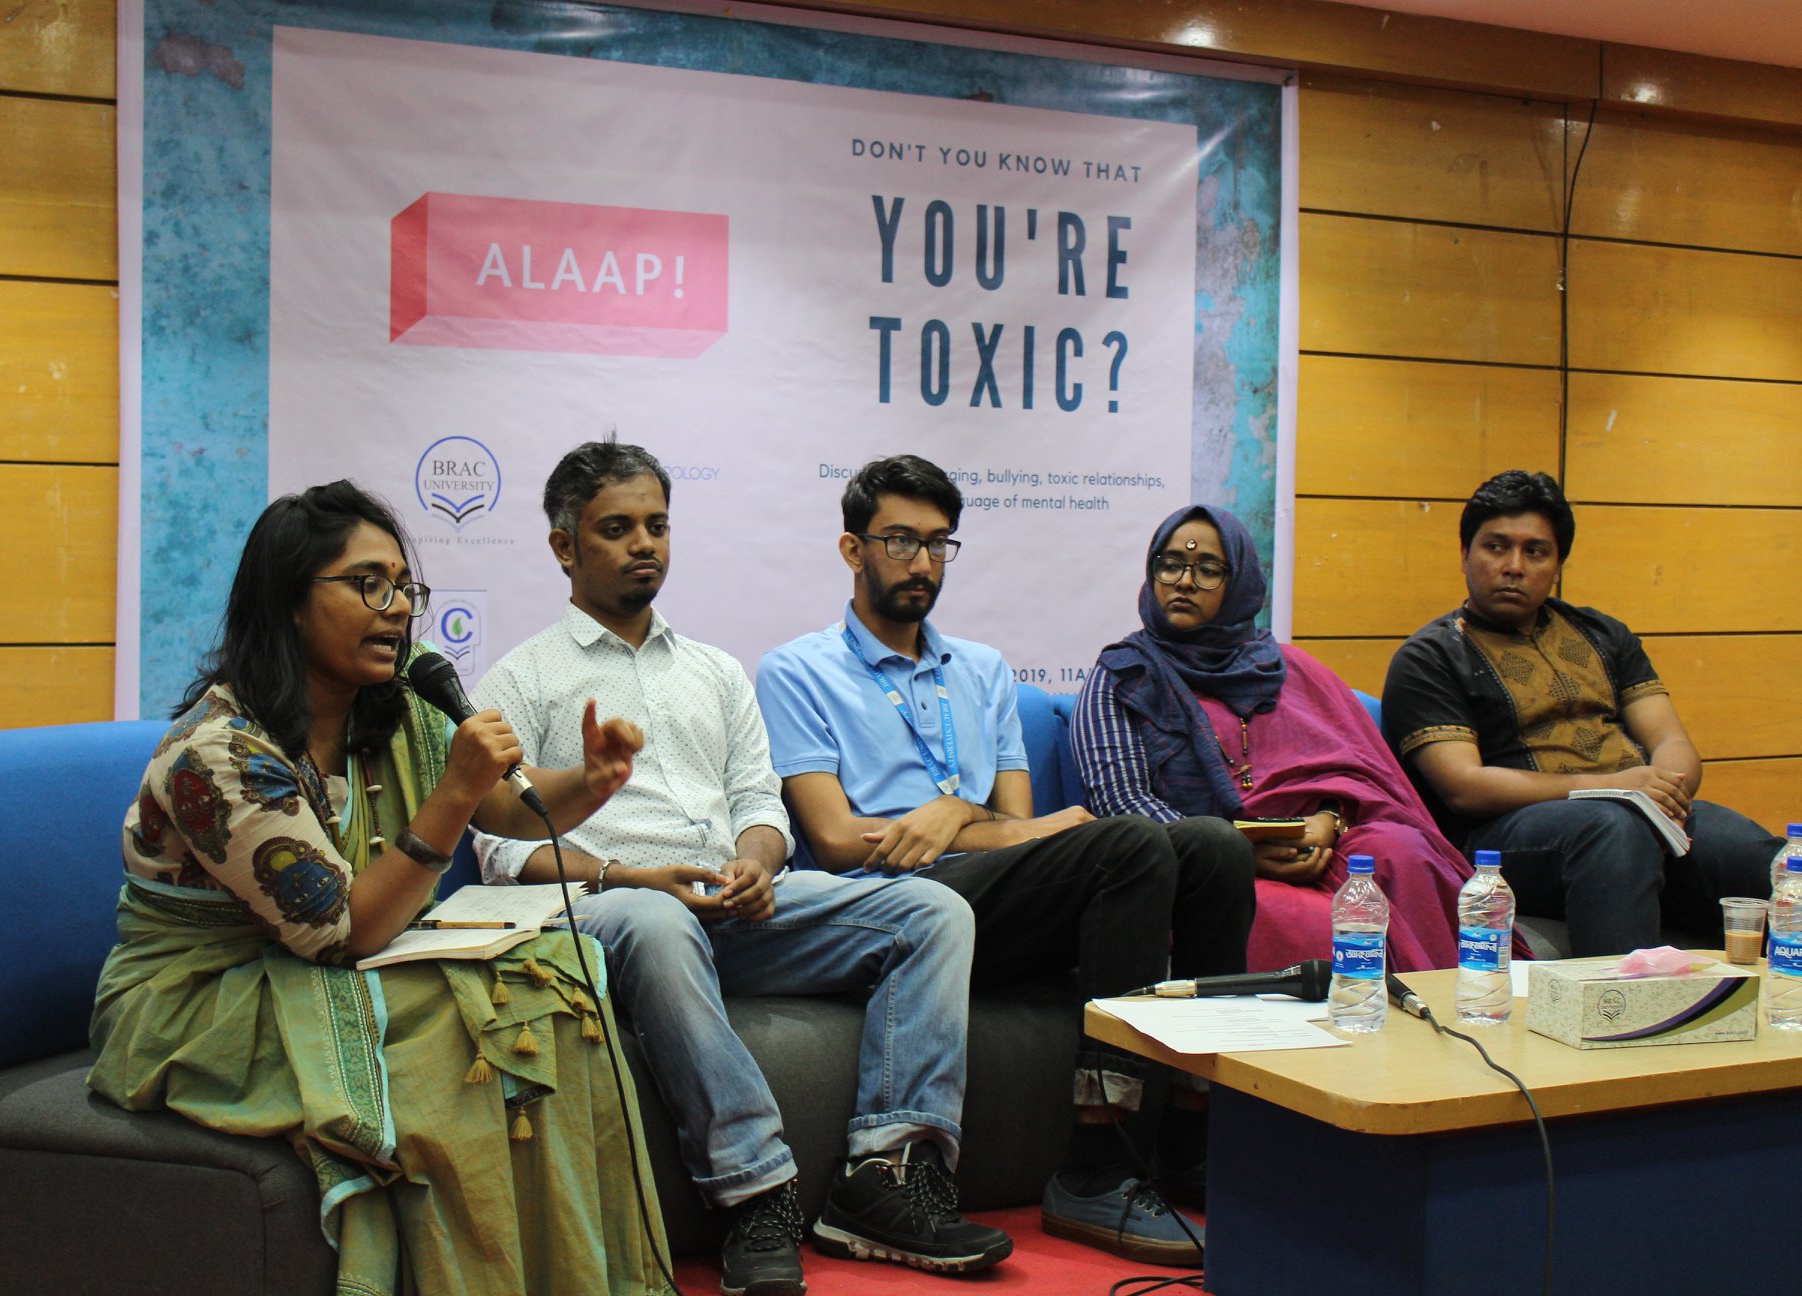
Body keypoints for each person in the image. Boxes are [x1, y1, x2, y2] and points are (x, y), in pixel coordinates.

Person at [87, 481, 670, 1296]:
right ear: (290, 600)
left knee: (555, 983)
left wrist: (593, 781)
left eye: (404, 587)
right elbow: (344, 931)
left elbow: (508, 803)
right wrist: (454, 793)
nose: (398, 608)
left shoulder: (389, 710)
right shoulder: (216, 757)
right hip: (198, 999)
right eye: (369, 584)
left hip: (326, 966)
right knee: (458, 1042)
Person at [471, 439, 1011, 1296]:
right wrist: (633, 879)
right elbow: (502, 849)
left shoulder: (716, 672)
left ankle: (886, 1178)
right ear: (565, 547)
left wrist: (758, 861)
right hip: (615, 913)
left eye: (657, 524)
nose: (645, 543)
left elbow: (762, 805)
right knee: (659, 920)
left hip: (736, 907)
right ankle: (756, 1193)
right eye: (617, 529)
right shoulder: (524, 678)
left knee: (932, 911)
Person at [757, 454, 1255, 1268]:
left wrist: (953, 812)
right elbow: (840, 838)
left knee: (1212, 847)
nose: (922, 564)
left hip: (997, 895)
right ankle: (1096, 1167)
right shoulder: (798, 670)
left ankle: (1193, 1142)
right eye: (899, 542)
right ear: (853, 551)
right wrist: (975, 827)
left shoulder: (983, 670)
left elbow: (1023, 829)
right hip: (889, 906)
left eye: (938, 544)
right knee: (1127, 845)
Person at [1382, 469, 1778, 956]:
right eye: (1496, 547)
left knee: (1756, 855)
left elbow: (1671, 740)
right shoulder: (1431, 657)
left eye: (1535, 551)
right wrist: (1616, 790)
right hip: (1504, 838)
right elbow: (1464, 788)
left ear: (1558, 564)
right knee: (1612, 831)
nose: (1513, 566)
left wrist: (1666, 788)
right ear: (1465, 556)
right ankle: (1621, 1014)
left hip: (1636, 813)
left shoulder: (1603, 633)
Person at [1072, 504, 1472, 972]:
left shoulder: (1288, 669)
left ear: (1239, 581)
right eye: (1171, 564)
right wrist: (1234, 852)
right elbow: (1120, 801)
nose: (1183, 581)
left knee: (1402, 852)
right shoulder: (1122, 676)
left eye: (1207, 569)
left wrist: (1328, 821)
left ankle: (1447, 1013)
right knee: (1306, 920)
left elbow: (1355, 776)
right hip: (1205, 870)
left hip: (1323, 846)